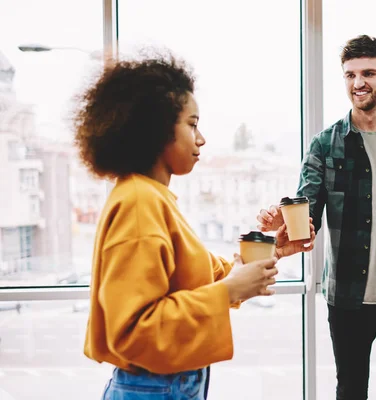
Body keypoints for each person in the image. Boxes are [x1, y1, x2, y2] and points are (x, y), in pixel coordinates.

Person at [72, 52, 315, 399]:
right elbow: (132, 331)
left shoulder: (149, 196)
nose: (201, 139)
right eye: (192, 124)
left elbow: (193, 275)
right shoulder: (140, 203)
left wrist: (270, 250)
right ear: (156, 129)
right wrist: (229, 291)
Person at [257, 35, 376, 400]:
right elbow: (305, 210)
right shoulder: (325, 144)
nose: (357, 82)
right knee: (350, 391)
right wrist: (280, 221)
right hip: (347, 296)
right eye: (349, 75)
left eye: (368, 73)